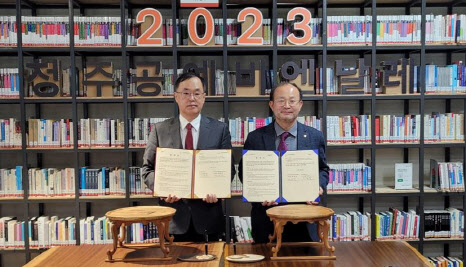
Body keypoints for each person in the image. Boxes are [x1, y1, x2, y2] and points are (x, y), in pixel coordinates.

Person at [142, 72, 233, 242]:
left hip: (209, 217)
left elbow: (229, 170)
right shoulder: (159, 129)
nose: (192, 98)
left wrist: (218, 189)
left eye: (197, 93)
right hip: (172, 219)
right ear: (176, 97)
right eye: (186, 93)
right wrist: (161, 189)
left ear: (204, 97)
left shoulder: (220, 129)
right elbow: (147, 170)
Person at [240, 82, 329, 243]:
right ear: (272, 105)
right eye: (281, 101)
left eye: (292, 101)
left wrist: (319, 186)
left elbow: (323, 169)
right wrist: (258, 194)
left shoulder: (315, 136)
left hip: (305, 219)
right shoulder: (255, 138)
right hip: (267, 220)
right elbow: (244, 173)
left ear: (300, 105)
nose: (286, 106)